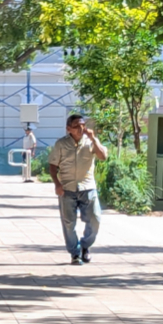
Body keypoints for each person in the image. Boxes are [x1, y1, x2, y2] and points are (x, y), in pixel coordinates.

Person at [47, 113, 107, 265]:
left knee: (95, 219)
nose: (81, 129)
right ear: (69, 129)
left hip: (88, 187)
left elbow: (103, 156)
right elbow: (53, 166)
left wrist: (94, 139)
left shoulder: (90, 141)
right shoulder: (61, 144)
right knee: (68, 223)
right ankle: (75, 253)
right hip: (67, 188)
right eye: (77, 126)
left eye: (83, 125)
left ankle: (85, 246)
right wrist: (57, 184)